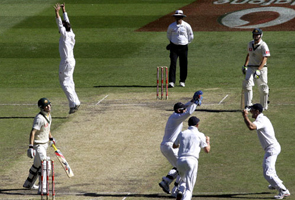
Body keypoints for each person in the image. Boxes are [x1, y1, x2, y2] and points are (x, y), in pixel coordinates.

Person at [159, 91, 203, 197]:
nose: (185, 110)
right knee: (182, 168)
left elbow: (185, 108)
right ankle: (176, 190)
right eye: (182, 109)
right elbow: (188, 113)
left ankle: (167, 181)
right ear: (179, 111)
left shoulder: (175, 115)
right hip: (169, 146)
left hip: (168, 146)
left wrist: (192, 101)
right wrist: (196, 103)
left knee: (179, 166)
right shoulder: (176, 117)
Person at [242, 103, 290, 199]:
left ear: (257, 111)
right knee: (269, 168)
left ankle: (284, 190)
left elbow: (251, 127)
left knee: (267, 173)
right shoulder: (262, 118)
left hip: (271, 149)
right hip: (272, 147)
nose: (251, 111)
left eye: (252, 109)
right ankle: (275, 184)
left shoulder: (261, 120)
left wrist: (245, 116)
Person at [23, 98, 56, 194]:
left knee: (37, 165)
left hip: (44, 144)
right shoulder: (39, 118)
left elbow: (47, 128)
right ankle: (43, 188)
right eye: (46, 106)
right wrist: (31, 147)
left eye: (49, 104)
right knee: (45, 165)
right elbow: (33, 132)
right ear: (42, 108)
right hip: (38, 146)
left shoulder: (48, 116)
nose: (48, 107)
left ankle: (28, 183)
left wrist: (51, 138)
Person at [173, 116, 210, 200]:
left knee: (184, 180)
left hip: (180, 161)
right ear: (197, 125)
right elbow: (207, 150)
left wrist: (183, 144)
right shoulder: (200, 135)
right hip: (191, 161)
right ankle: (183, 195)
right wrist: (208, 141)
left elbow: (174, 145)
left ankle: (181, 191)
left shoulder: (182, 133)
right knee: (189, 189)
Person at [54, 3, 80, 114]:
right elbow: (66, 23)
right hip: (72, 61)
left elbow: (60, 24)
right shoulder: (71, 34)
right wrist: (64, 11)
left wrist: (57, 12)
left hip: (65, 62)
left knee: (64, 83)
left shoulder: (64, 36)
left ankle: (72, 104)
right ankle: (76, 102)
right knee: (70, 82)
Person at [242, 28, 270, 110]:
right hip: (250, 67)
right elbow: (249, 55)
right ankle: (248, 105)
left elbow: (265, 58)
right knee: (247, 85)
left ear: (261, 35)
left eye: (257, 35)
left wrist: (259, 69)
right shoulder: (250, 44)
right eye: (254, 34)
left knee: (263, 88)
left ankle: (264, 106)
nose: (255, 36)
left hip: (261, 68)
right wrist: (245, 65)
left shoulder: (263, 45)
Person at [166, 10, 194, 88]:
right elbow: (168, 35)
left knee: (183, 64)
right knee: (173, 63)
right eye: (177, 17)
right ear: (175, 17)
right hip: (174, 47)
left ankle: (182, 81)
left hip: (184, 47)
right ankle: (171, 81)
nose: (178, 19)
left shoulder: (187, 25)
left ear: (182, 17)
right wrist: (172, 42)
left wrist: (186, 42)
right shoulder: (171, 26)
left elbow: (191, 36)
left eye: (179, 17)